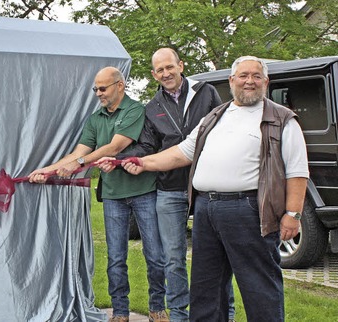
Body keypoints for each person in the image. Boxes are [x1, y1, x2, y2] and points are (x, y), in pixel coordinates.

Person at [115, 56, 308, 321]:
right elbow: (183, 152)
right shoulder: (217, 115)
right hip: (206, 210)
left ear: (266, 81)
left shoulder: (282, 119)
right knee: (206, 288)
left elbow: (297, 172)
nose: (249, 81)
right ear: (231, 81)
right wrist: (142, 162)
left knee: (259, 286)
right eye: (243, 76)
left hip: (249, 210)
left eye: (255, 76)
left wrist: (293, 214)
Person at [100, 48, 236, 322]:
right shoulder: (152, 108)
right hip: (170, 188)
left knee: (215, 255)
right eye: (159, 70)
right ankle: (178, 316)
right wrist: (121, 159)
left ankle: (225, 314)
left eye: (169, 67)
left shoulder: (206, 92)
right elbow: (148, 145)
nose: (166, 73)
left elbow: (224, 130)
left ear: (180, 65)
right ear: (154, 75)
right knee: (173, 257)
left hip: (206, 186)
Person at [29, 67, 168, 322]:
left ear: (120, 86)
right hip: (114, 195)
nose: (98, 94)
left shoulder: (135, 110)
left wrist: (79, 163)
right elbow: (78, 152)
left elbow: (115, 147)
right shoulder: (95, 118)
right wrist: (46, 170)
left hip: (144, 192)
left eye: (103, 88)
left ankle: (157, 307)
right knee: (116, 257)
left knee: (155, 255)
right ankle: (121, 312)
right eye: (96, 89)